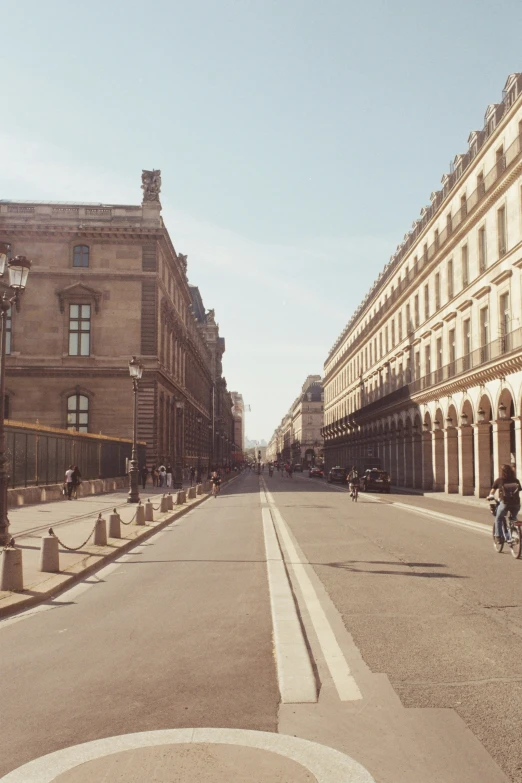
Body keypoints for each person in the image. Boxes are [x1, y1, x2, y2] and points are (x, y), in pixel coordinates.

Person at [488, 464, 522, 545]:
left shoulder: (500, 480)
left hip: (505, 503)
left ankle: (498, 537)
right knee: (513, 518)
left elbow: (492, 492)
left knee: (498, 518)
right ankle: (517, 532)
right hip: (516, 503)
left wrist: (490, 497)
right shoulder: (516, 480)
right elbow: (519, 489)